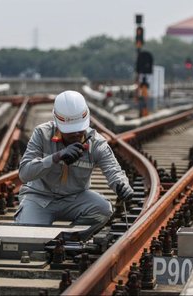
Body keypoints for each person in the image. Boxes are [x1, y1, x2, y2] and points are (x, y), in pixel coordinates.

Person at [16, 90, 134, 240]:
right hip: (40, 198)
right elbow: (24, 173)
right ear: (58, 124)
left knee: (102, 209)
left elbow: (113, 170)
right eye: (71, 132)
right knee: (28, 238)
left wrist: (121, 185)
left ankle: (70, 239)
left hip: (75, 199)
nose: (77, 134)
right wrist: (55, 158)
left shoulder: (97, 143)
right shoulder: (42, 134)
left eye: (80, 130)